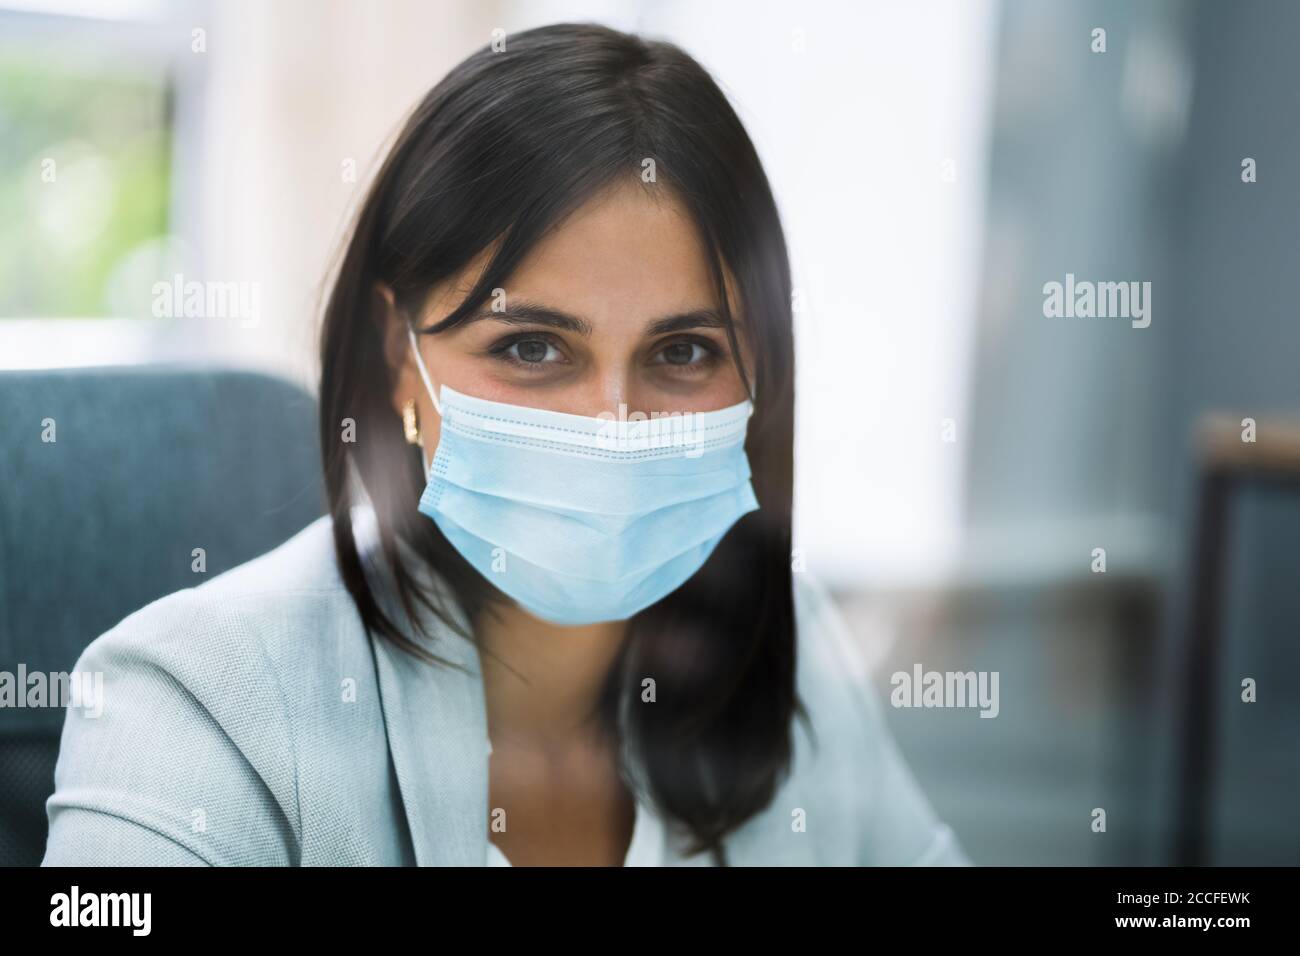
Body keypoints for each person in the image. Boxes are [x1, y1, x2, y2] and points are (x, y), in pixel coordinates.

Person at [42, 22, 969, 867]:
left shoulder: (785, 649)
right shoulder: (198, 704)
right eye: (532, 346)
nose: (614, 424)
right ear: (398, 356)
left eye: (683, 351)